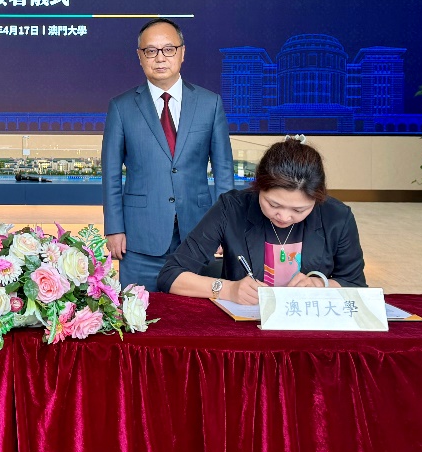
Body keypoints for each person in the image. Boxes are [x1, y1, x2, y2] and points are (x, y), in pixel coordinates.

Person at [101, 18, 234, 289]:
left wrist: (225, 229)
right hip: (139, 239)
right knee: (139, 310)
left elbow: (224, 172)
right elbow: (111, 175)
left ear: (182, 53)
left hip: (199, 235)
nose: (160, 58)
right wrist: (114, 228)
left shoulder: (210, 103)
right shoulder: (121, 107)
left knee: (195, 312)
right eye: (150, 51)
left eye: (169, 49)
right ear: (140, 56)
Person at [157, 137, 366, 301]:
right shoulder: (231, 208)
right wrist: (228, 289)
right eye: (273, 205)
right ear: (258, 187)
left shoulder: (336, 217)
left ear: (317, 199)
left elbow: (355, 284)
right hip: (244, 330)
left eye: (299, 210)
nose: (284, 216)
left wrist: (321, 285)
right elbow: (171, 275)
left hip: (309, 330)